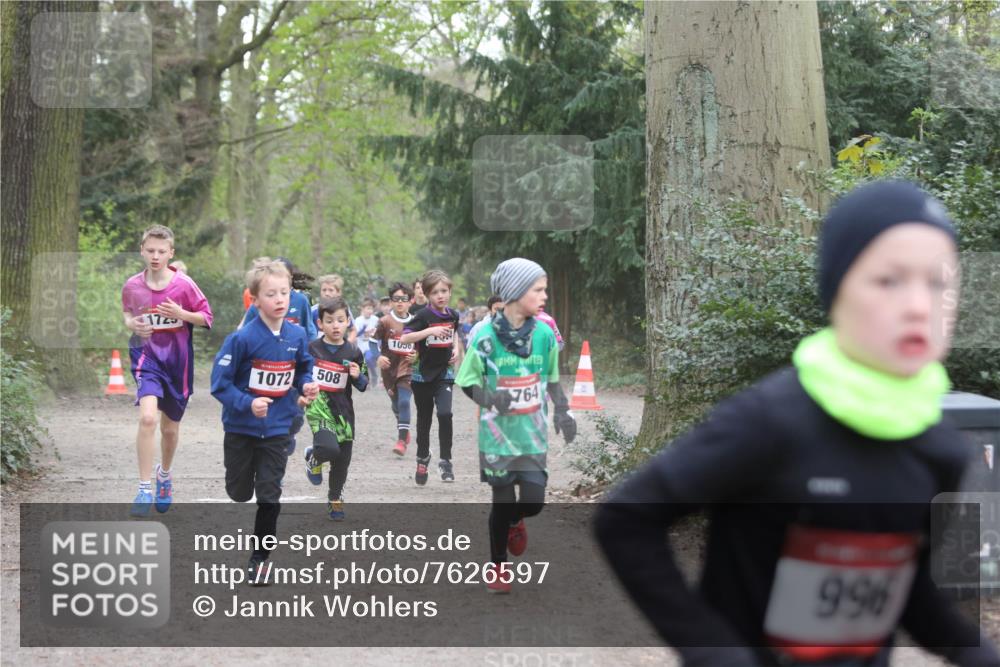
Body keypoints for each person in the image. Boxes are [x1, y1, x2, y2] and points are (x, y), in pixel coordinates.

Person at [593, 180, 1000, 666]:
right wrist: (715, 653)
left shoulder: (941, 450)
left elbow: (907, 591)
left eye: (939, 282)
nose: (918, 305)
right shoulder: (770, 421)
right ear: (836, 290)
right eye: (889, 280)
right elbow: (626, 519)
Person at [455, 258, 576, 593]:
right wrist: (492, 399)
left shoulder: (543, 335)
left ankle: (516, 520)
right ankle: (498, 566)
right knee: (502, 499)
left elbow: (551, 378)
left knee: (534, 502)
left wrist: (563, 412)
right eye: (537, 290)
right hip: (497, 438)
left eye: (545, 290)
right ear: (514, 292)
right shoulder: (485, 337)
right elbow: (466, 381)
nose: (544, 296)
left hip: (532, 436)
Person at [211, 259, 318, 582]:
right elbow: (219, 384)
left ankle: (260, 558)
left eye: (284, 292)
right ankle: (240, 486)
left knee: (269, 494)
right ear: (255, 299)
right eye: (271, 294)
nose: (280, 299)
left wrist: (306, 384)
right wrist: (247, 402)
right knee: (240, 492)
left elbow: (303, 367)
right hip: (241, 428)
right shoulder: (241, 339)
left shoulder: (297, 335)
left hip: (277, 427)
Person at [121, 225, 213, 516]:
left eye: (162, 251)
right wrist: (130, 324)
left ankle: (164, 475)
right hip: (146, 357)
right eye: (150, 250)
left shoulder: (184, 285)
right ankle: (144, 487)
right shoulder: (132, 285)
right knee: (148, 419)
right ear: (142, 251)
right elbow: (127, 310)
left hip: (177, 362)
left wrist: (181, 315)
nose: (156, 256)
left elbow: (206, 317)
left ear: (171, 253)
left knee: (169, 430)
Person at [301, 297, 368, 521]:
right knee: (330, 449)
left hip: (344, 411)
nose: (335, 325)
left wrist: (358, 377)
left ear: (348, 321)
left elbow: (363, 384)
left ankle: (335, 497)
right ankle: (316, 458)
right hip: (318, 407)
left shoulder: (353, 352)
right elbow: (300, 375)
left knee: (343, 458)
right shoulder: (311, 349)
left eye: (340, 320)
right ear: (320, 324)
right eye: (329, 321)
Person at [241, 257, 315, 457]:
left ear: (290, 279)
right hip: (265, 365)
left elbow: (310, 331)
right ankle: (272, 453)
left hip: (291, 364)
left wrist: (309, 356)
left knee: (296, 416)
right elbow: (244, 329)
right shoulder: (261, 301)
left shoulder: (300, 301)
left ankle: (286, 439)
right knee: (267, 412)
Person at [400, 270, 464, 484]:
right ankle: (422, 457)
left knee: (445, 414)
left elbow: (454, 333)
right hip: (422, 375)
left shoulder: (453, 315)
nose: (440, 296)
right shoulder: (423, 316)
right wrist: (429, 332)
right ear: (427, 294)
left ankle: (445, 461)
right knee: (424, 420)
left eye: (444, 291)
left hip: (444, 373)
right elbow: (406, 336)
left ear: (450, 292)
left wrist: (455, 350)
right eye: (435, 292)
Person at [374, 282, 417, 456]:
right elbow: (372, 343)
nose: (400, 302)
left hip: (408, 368)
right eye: (396, 299)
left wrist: (417, 356)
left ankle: (401, 441)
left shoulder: (416, 322)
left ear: (410, 302)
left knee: (405, 401)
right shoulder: (384, 322)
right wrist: (378, 357)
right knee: (396, 404)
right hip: (389, 370)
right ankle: (404, 429)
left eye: (403, 299)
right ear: (391, 302)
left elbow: (422, 345)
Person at [311, 274, 356, 344]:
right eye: (324, 290)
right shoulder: (313, 311)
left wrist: (347, 345)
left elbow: (353, 330)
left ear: (338, 292)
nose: (326, 293)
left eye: (331, 290)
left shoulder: (344, 310)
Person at [354, 298, 381, 389]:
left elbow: (380, 332)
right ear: (362, 309)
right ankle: (367, 381)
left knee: (369, 359)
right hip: (361, 345)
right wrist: (362, 330)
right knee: (363, 363)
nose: (370, 311)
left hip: (372, 345)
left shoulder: (375, 319)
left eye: (371, 308)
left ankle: (374, 375)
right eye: (367, 308)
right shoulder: (358, 320)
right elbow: (356, 334)